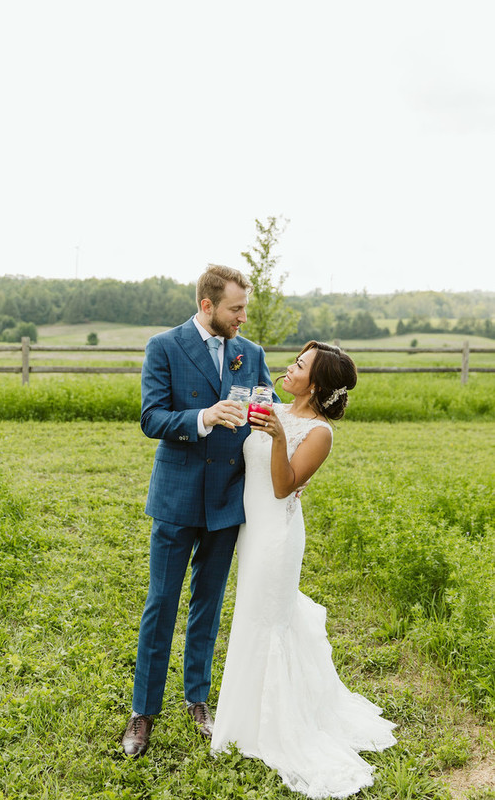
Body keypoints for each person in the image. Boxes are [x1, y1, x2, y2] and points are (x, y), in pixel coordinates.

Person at [211, 341, 397, 798]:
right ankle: (246, 713)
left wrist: (277, 436)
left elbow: (282, 487)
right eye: (294, 360)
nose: (288, 368)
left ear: (315, 383)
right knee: (252, 620)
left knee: (266, 622)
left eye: (299, 365)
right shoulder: (269, 404)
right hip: (250, 532)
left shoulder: (319, 433)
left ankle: (267, 725)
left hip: (276, 537)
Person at [121, 264, 278, 757]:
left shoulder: (250, 353)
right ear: (208, 305)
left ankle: (198, 701)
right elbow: (152, 417)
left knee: (207, 607)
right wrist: (204, 417)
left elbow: (269, 403)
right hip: (177, 496)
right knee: (162, 604)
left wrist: (263, 411)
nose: (243, 318)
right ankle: (143, 713)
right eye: (236, 309)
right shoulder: (163, 347)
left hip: (228, 499)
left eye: (244, 308)